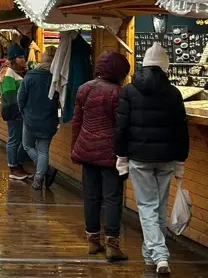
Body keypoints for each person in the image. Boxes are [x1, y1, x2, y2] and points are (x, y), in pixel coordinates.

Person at [115, 43, 189, 275]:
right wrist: (180, 160)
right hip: (166, 158)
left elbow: (121, 127)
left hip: (140, 158)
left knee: (147, 207)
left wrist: (121, 156)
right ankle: (152, 256)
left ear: (144, 65)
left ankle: (159, 255)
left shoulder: (129, 91)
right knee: (158, 208)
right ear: (165, 67)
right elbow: (181, 130)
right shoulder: (174, 93)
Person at [71, 51, 131, 262]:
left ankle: (93, 241)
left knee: (90, 196)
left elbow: (76, 121)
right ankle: (112, 245)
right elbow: (122, 126)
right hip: (110, 154)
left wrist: (74, 148)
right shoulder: (118, 93)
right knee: (113, 198)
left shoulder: (84, 89)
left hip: (87, 151)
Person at [18, 47, 59, 190]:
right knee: (43, 150)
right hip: (49, 120)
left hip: (30, 119)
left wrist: (24, 112)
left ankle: (46, 170)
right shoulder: (56, 77)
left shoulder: (31, 75)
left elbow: (20, 98)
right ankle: (39, 178)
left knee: (27, 145)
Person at [0, 43, 28, 180]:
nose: (23, 60)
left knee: (21, 139)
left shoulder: (14, 72)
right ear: (13, 58)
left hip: (17, 111)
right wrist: (18, 111)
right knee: (14, 139)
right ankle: (13, 167)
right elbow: (10, 95)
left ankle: (18, 165)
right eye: (19, 57)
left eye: (23, 57)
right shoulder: (9, 72)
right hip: (13, 110)